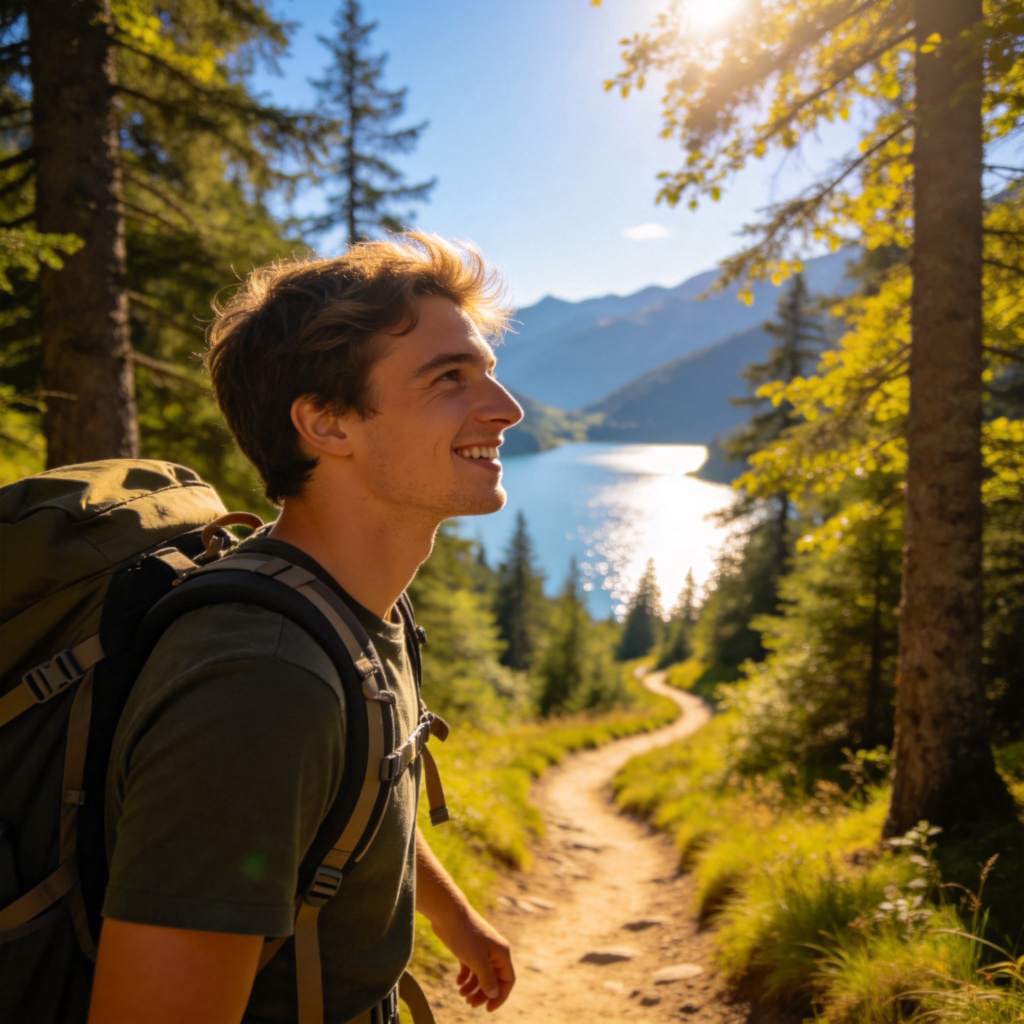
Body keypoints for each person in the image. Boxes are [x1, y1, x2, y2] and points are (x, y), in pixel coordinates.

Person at [87, 233, 522, 1024]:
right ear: (326, 424)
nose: (506, 407)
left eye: (487, 371)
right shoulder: (261, 681)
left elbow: (341, 785)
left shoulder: (346, 608)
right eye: (451, 378)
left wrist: (455, 918)